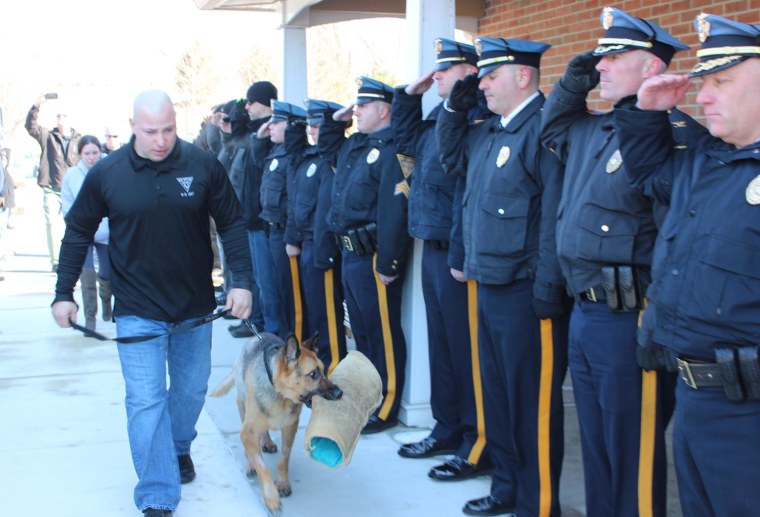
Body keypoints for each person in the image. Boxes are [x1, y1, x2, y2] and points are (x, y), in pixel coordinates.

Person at [51, 89, 253, 517]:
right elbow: (78, 232)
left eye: (168, 130)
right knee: (145, 399)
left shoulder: (201, 165)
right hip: (137, 308)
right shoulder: (108, 173)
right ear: (132, 127)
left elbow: (233, 222)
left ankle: (178, 446)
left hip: (195, 305)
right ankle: (158, 492)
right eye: (150, 132)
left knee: (192, 388)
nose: (160, 141)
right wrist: (63, 292)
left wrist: (243, 283)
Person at [540, 7, 706, 516]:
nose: (602, 67)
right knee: (596, 445)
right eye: (600, 58)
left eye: (614, 57)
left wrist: (656, 323)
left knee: (633, 451)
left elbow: (677, 241)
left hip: (632, 316)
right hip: (586, 312)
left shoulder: (677, 137)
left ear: (652, 69)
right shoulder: (594, 128)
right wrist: (574, 81)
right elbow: (552, 129)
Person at [612, 13, 760, 516]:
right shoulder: (710, 158)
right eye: (704, 83)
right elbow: (651, 172)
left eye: (722, 81)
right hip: (695, 396)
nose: (705, 96)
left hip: (749, 410)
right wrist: (646, 112)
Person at [437, 37, 569, 517]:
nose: (483, 84)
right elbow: (449, 157)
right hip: (489, 285)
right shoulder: (490, 131)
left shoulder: (544, 129)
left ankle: (539, 504)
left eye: (491, 76)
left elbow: (555, 215)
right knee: (499, 400)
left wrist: (548, 291)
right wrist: (457, 103)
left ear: (523, 76)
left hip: (526, 291)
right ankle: (508, 490)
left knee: (531, 408)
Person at [392, 37, 491, 484]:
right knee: (443, 349)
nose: (437, 77)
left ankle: (475, 441)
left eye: (446, 70)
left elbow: (467, 192)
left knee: (467, 353)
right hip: (431, 245)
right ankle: (447, 428)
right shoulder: (438, 118)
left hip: (457, 251)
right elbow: (404, 142)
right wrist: (408, 97)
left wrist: (460, 251)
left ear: (470, 73)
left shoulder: (477, 119)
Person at [326, 77, 411, 434]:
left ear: (384, 109)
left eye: (363, 106)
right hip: (349, 255)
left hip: (374, 256)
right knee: (361, 332)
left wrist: (389, 262)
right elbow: (330, 147)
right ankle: (366, 397)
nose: (356, 111)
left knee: (383, 334)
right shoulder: (357, 145)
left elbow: (395, 209)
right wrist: (339, 120)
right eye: (355, 106)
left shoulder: (393, 148)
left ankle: (387, 405)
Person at [284, 98, 348, 373]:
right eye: (308, 124)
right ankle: (313, 368)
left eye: (315, 124)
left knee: (327, 318)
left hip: (322, 248)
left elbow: (326, 211)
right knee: (311, 313)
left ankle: (332, 369)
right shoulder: (310, 159)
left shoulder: (334, 160)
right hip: (308, 245)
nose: (310, 129)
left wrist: (324, 253)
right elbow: (293, 155)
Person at [252, 100, 309, 340]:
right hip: (273, 232)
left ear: (293, 125)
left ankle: (294, 345)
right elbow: (258, 161)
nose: (270, 126)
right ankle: (287, 344)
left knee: (291, 296)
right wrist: (259, 137)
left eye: (277, 122)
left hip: (287, 234)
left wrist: (291, 237)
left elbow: (295, 201)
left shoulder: (295, 155)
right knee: (278, 291)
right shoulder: (276, 152)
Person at [232, 80, 284, 338]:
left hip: (264, 221)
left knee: (268, 284)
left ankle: (272, 335)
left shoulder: (272, 136)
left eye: (252, 101)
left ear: (268, 103)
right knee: (260, 281)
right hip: (251, 218)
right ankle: (261, 325)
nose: (247, 106)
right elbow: (234, 139)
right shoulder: (255, 134)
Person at [61, 135, 112, 331]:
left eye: (95, 152)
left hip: (105, 232)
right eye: (86, 153)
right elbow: (67, 203)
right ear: (80, 154)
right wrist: (73, 225)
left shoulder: (108, 171)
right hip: (83, 233)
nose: (91, 157)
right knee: (87, 276)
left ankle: (106, 301)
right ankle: (90, 318)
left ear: (100, 152)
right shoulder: (72, 174)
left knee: (107, 274)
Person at [25, 94, 81, 272]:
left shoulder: (79, 140)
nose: (60, 119)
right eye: (58, 115)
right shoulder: (47, 136)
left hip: (71, 190)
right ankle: (56, 261)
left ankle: (71, 258)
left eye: (63, 115)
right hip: (51, 186)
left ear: (70, 118)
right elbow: (31, 127)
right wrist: (36, 106)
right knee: (52, 224)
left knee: (72, 224)